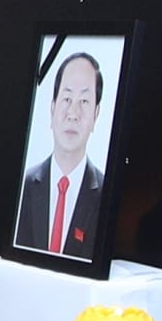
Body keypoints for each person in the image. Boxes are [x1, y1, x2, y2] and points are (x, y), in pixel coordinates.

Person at [13, 45, 107, 259]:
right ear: (52, 107)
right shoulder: (24, 186)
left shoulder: (105, 193)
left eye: (84, 101)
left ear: (96, 114)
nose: (73, 113)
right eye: (66, 99)